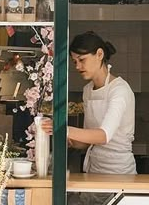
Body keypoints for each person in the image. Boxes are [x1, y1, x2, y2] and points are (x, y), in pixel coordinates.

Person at [42, 30, 136, 175]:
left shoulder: (119, 91)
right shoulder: (87, 90)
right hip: (93, 170)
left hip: (119, 172)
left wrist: (63, 129)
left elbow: (103, 135)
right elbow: (88, 141)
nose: (77, 66)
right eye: (74, 62)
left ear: (99, 54)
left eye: (82, 60)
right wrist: (66, 138)